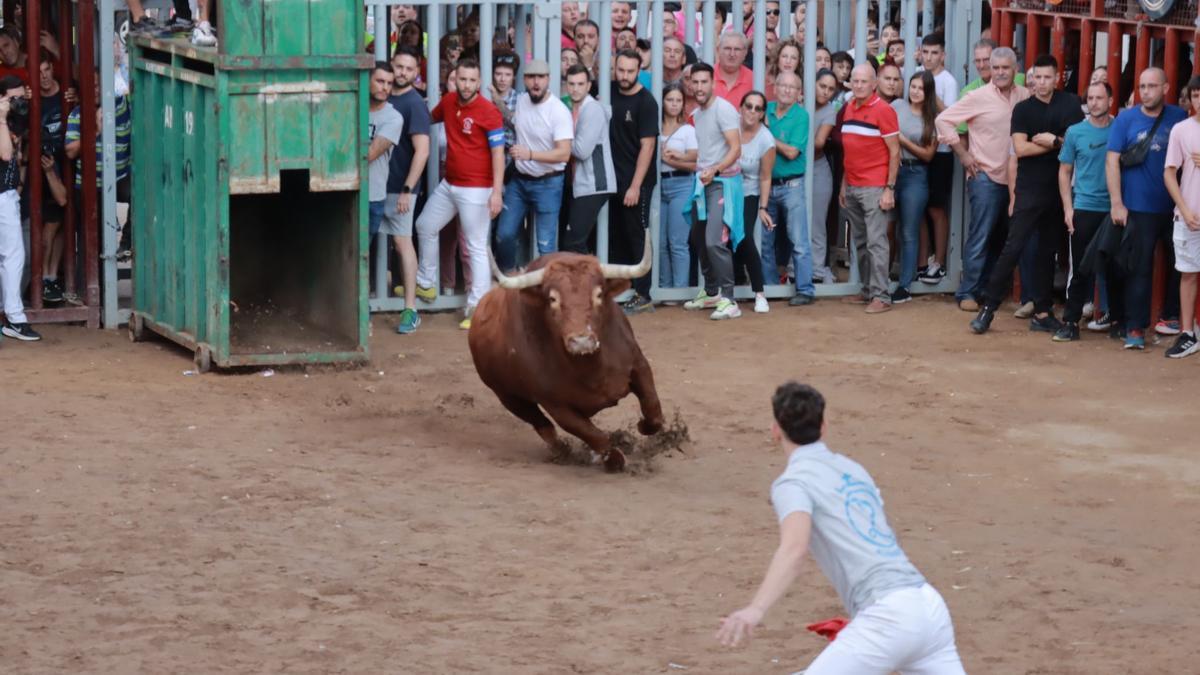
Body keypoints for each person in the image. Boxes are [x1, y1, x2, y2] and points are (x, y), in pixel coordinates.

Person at [715, 381, 966, 675]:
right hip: (928, 607)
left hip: (888, 615)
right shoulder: (854, 469)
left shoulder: (793, 483)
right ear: (824, 425)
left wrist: (755, 609)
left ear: (775, 430)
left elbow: (795, 549)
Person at [969, 55, 1083, 335]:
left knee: (1048, 252)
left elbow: (1076, 142)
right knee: (1013, 247)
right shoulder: (1023, 110)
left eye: (1047, 77)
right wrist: (1058, 143)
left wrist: (1052, 140)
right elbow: (1020, 149)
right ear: (1031, 79)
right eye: (1037, 78)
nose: (1041, 83)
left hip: (1058, 191)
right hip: (1029, 190)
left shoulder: (1070, 104)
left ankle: (1043, 312)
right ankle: (988, 309)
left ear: (1057, 78)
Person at [934, 47, 1029, 311]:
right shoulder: (977, 96)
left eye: (1004, 68)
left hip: (1015, 180)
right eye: (995, 67)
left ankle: (989, 291)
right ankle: (967, 292)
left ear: (1015, 69)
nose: (999, 72)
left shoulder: (1025, 95)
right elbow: (943, 120)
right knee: (980, 236)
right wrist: (963, 154)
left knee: (1002, 239)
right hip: (984, 176)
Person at [414, 60, 505, 331]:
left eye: (470, 80)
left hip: (477, 187)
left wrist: (496, 192)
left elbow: (498, 154)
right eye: (461, 79)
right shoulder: (449, 101)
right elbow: (427, 118)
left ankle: (478, 306)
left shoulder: (489, 112)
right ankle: (427, 284)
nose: (465, 85)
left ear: (479, 82)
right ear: (455, 79)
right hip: (450, 183)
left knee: (476, 245)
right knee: (425, 225)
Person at [1104, 67, 1188, 349]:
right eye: (1142, 86)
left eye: (1153, 86)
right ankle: (1135, 328)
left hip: (1176, 208)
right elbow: (1112, 161)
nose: (1146, 91)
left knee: (1183, 265)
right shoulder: (1126, 119)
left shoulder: (1179, 117)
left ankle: (1172, 318)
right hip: (1137, 208)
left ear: (1165, 88)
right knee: (1139, 268)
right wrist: (1117, 202)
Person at [494, 60, 574, 271]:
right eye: (531, 78)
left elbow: (564, 154)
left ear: (548, 79)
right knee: (504, 235)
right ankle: (511, 277)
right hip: (519, 182)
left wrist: (530, 154)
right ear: (524, 80)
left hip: (549, 183)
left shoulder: (558, 111)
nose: (536, 82)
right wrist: (497, 103)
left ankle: (546, 293)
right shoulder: (521, 101)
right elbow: (514, 120)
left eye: (541, 77)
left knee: (546, 245)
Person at [1052, 81, 1115, 343]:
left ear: (1110, 101)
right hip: (1085, 206)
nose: (1094, 102)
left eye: (1100, 98)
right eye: (1090, 98)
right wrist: (1068, 208)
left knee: (1116, 267)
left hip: (1114, 209)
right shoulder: (1075, 132)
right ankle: (1070, 322)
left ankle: (1118, 320)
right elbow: (1064, 171)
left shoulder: (1119, 129)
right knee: (1079, 269)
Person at [682, 63, 742, 320]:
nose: (699, 87)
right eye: (694, 82)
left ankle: (730, 299)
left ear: (713, 82)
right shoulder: (698, 113)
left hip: (723, 183)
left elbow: (735, 148)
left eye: (703, 82)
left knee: (714, 241)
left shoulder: (724, 110)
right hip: (704, 183)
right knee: (697, 237)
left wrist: (715, 169)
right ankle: (711, 292)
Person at [840, 63, 900, 314]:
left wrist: (889, 188)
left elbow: (895, 151)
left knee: (876, 242)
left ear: (874, 84)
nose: (858, 85)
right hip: (853, 185)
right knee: (861, 241)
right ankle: (867, 290)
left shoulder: (883, 110)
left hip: (875, 186)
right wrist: (844, 185)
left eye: (864, 81)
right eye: (854, 81)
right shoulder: (848, 108)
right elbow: (849, 150)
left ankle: (881, 295)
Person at [382, 48, 431, 335]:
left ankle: (410, 309)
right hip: (377, 185)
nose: (402, 72)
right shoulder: (381, 94)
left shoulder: (414, 103)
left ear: (416, 72)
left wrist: (407, 189)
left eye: (408, 68)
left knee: (402, 243)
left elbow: (422, 151)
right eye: (398, 66)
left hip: (401, 187)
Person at [608, 50, 659, 313]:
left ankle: (643, 294)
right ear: (614, 68)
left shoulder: (646, 102)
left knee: (637, 234)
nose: (625, 76)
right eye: (621, 70)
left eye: (630, 71)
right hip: (610, 180)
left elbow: (648, 147)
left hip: (636, 182)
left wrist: (636, 186)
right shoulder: (608, 91)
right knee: (615, 234)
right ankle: (620, 289)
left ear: (639, 70)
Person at [763, 71, 814, 305]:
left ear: (799, 93)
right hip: (765, 185)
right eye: (782, 85)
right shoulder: (765, 109)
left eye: (792, 87)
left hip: (791, 185)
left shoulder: (801, 116)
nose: (786, 90)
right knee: (765, 240)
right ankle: (770, 287)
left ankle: (805, 289)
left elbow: (793, 152)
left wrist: (766, 134)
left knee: (798, 240)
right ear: (775, 87)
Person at [891, 71, 940, 304]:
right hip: (891, 171)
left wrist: (902, 141)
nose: (915, 91)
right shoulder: (897, 105)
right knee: (887, 227)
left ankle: (904, 285)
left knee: (909, 231)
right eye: (913, 86)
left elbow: (929, 155)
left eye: (920, 88)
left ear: (928, 92)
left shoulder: (932, 119)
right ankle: (881, 279)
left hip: (915, 173)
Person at [1162, 75, 1200, 359]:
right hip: (1189, 216)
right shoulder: (1180, 129)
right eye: (1195, 96)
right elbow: (1169, 173)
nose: (1199, 101)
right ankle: (1188, 332)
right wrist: (1184, 209)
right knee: (1188, 274)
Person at [561, 64, 617, 255]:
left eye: (580, 84)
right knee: (575, 241)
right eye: (571, 84)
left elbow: (582, 150)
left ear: (588, 85)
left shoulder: (591, 109)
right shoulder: (575, 108)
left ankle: (591, 283)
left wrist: (559, 141)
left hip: (594, 183)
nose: (575, 88)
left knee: (574, 242)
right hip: (583, 183)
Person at [0, 79, 40, 341]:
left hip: (7, 194)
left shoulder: (16, 119)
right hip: (2, 196)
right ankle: (14, 317)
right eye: (12, 99)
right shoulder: (4, 120)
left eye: (20, 98)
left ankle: (13, 316)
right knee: (13, 256)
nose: (18, 104)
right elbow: (5, 154)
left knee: (11, 256)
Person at [917, 32, 958, 287]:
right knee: (918, 208)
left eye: (934, 53)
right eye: (926, 52)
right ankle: (923, 261)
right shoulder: (915, 72)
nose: (929, 57)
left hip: (941, 152)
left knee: (936, 207)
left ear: (942, 55)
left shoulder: (948, 81)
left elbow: (951, 116)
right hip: (916, 149)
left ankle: (940, 263)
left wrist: (931, 93)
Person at [736, 90, 776, 314]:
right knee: (722, 239)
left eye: (757, 108)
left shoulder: (766, 139)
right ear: (741, 108)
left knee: (743, 237)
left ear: (762, 114)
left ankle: (759, 292)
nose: (752, 111)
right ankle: (729, 289)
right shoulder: (731, 126)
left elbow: (765, 176)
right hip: (725, 189)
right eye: (748, 106)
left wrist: (763, 207)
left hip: (749, 193)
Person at [658, 83, 698, 288]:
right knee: (661, 243)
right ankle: (665, 288)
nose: (674, 104)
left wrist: (673, 159)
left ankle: (680, 289)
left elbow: (695, 161)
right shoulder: (655, 128)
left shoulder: (688, 130)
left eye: (678, 100)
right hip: (659, 186)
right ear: (663, 102)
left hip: (681, 184)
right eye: (670, 100)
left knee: (678, 242)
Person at [365, 63, 402, 245]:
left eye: (389, 83)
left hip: (372, 196)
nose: (385, 87)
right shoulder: (353, 106)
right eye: (380, 81)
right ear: (367, 80)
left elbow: (369, 155)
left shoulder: (393, 118)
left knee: (360, 256)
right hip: (344, 189)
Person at [809, 69, 840, 285]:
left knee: (817, 223)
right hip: (793, 169)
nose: (826, 92)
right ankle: (795, 270)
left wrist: (789, 143)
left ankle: (818, 270)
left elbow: (819, 144)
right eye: (822, 86)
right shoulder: (798, 102)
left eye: (831, 89)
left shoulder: (830, 111)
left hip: (818, 168)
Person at [714, 33, 754, 107]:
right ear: (718, 50)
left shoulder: (754, 80)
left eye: (737, 49)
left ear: (745, 53)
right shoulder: (707, 76)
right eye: (727, 48)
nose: (732, 54)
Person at [765, 38, 800, 102]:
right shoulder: (764, 81)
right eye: (784, 56)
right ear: (777, 58)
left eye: (793, 58)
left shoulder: (802, 86)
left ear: (798, 62)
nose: (788, 61)